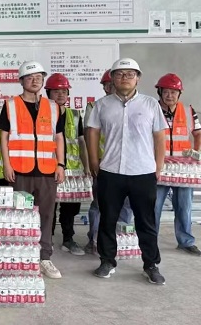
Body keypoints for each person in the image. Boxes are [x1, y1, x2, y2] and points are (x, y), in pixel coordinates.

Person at [87, 58, 167, 284]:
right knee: (107, 219)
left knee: (146, 221)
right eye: (119, 74)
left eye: (130, 74)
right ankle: (107, 261)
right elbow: (92, 132)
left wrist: (158, 166)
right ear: (112, 78)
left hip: (143, 172)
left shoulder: (150, 105)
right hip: (111, 171)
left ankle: (151, 264)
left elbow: (159, 137)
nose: (124, 78)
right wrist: (93, 161)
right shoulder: (102, 105)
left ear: (138, 78)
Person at [0, 61, 65, 279]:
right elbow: (3, 137)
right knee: (19, 215)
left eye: (38, 77)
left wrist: (61, 164)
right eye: (30, 77)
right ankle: (21, 256)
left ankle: (44, 257)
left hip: (46, 171)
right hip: (19, 170)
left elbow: (59, 138)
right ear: (21, 81)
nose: (35, 81)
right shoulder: (10, 105)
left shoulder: (53, 107)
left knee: (46, 215)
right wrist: (7, 164)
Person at [83, 69, 133, 255]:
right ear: (104, 87)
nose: (112, 87)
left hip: (128, 165)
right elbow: (89, 135)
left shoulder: (133, 106)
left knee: (126, 205)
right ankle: (95, 240)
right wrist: (92, 163)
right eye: (108, 84)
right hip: (104, 165)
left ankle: (121, 240)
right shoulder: (95, 107)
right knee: (100, 204)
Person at [154, 73, 201, 256]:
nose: (170, 96)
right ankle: (150, 240)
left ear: (179, 94)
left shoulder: (189, 111)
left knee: (184, 206)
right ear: (160, 92)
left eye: (174, 92)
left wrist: (196, 154)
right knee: (154, 206)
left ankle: (186, 241)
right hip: (159, 166)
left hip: (183, 169)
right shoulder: (152, 109)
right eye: (166, 92)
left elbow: (198, 133)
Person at [45, 73, 88, 257]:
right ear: (48, 93)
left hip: (73, 170)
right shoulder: (43, 114)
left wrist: (87, 166)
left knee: (70, 207)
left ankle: (68, 239)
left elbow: (81, 142)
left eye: (64, 91)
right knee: (49, 206)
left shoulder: (75, 115)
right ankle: (47, 239)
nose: (61, 94)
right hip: (50, 167)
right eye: (56, 91)